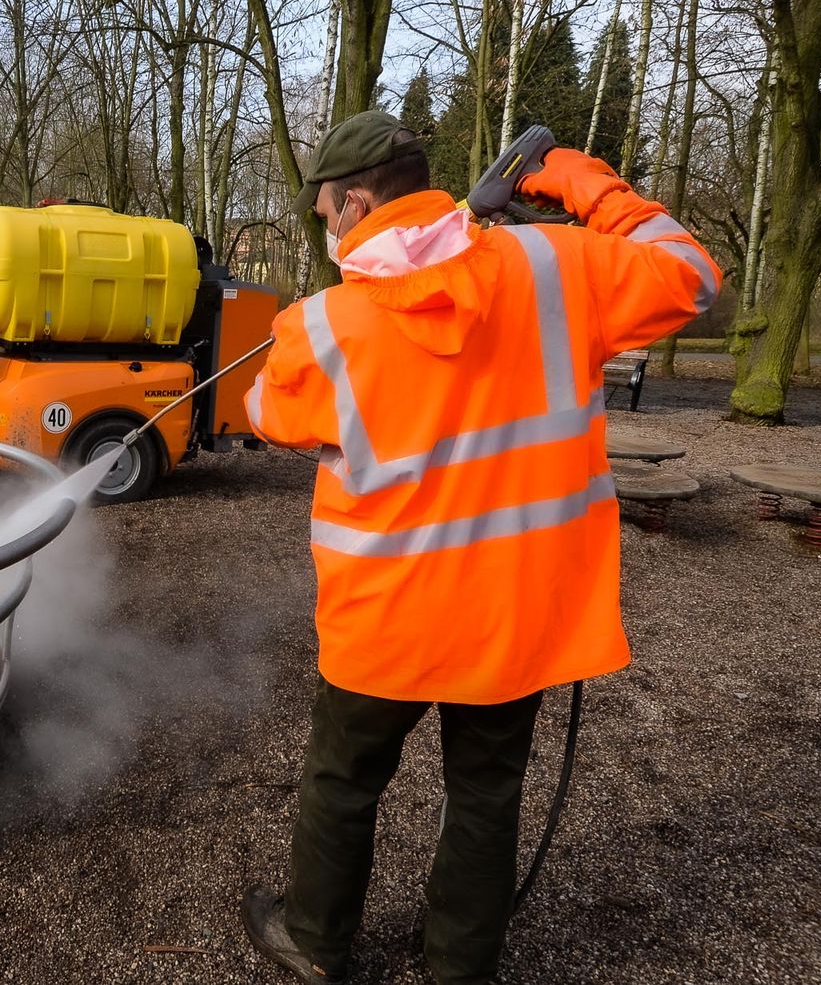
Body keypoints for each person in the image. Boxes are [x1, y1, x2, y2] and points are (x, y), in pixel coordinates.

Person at [239, 110, 720, 985]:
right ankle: (458, 966)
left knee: (344, 782)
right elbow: (691, 275)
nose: (322, 226)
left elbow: (270, 420)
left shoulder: (320, 324)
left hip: (383, 620)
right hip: (515, 612)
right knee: (487, 793)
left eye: (323, 211)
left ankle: (315, 941)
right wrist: (577, 183)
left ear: (354, 203)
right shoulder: (555, 268)